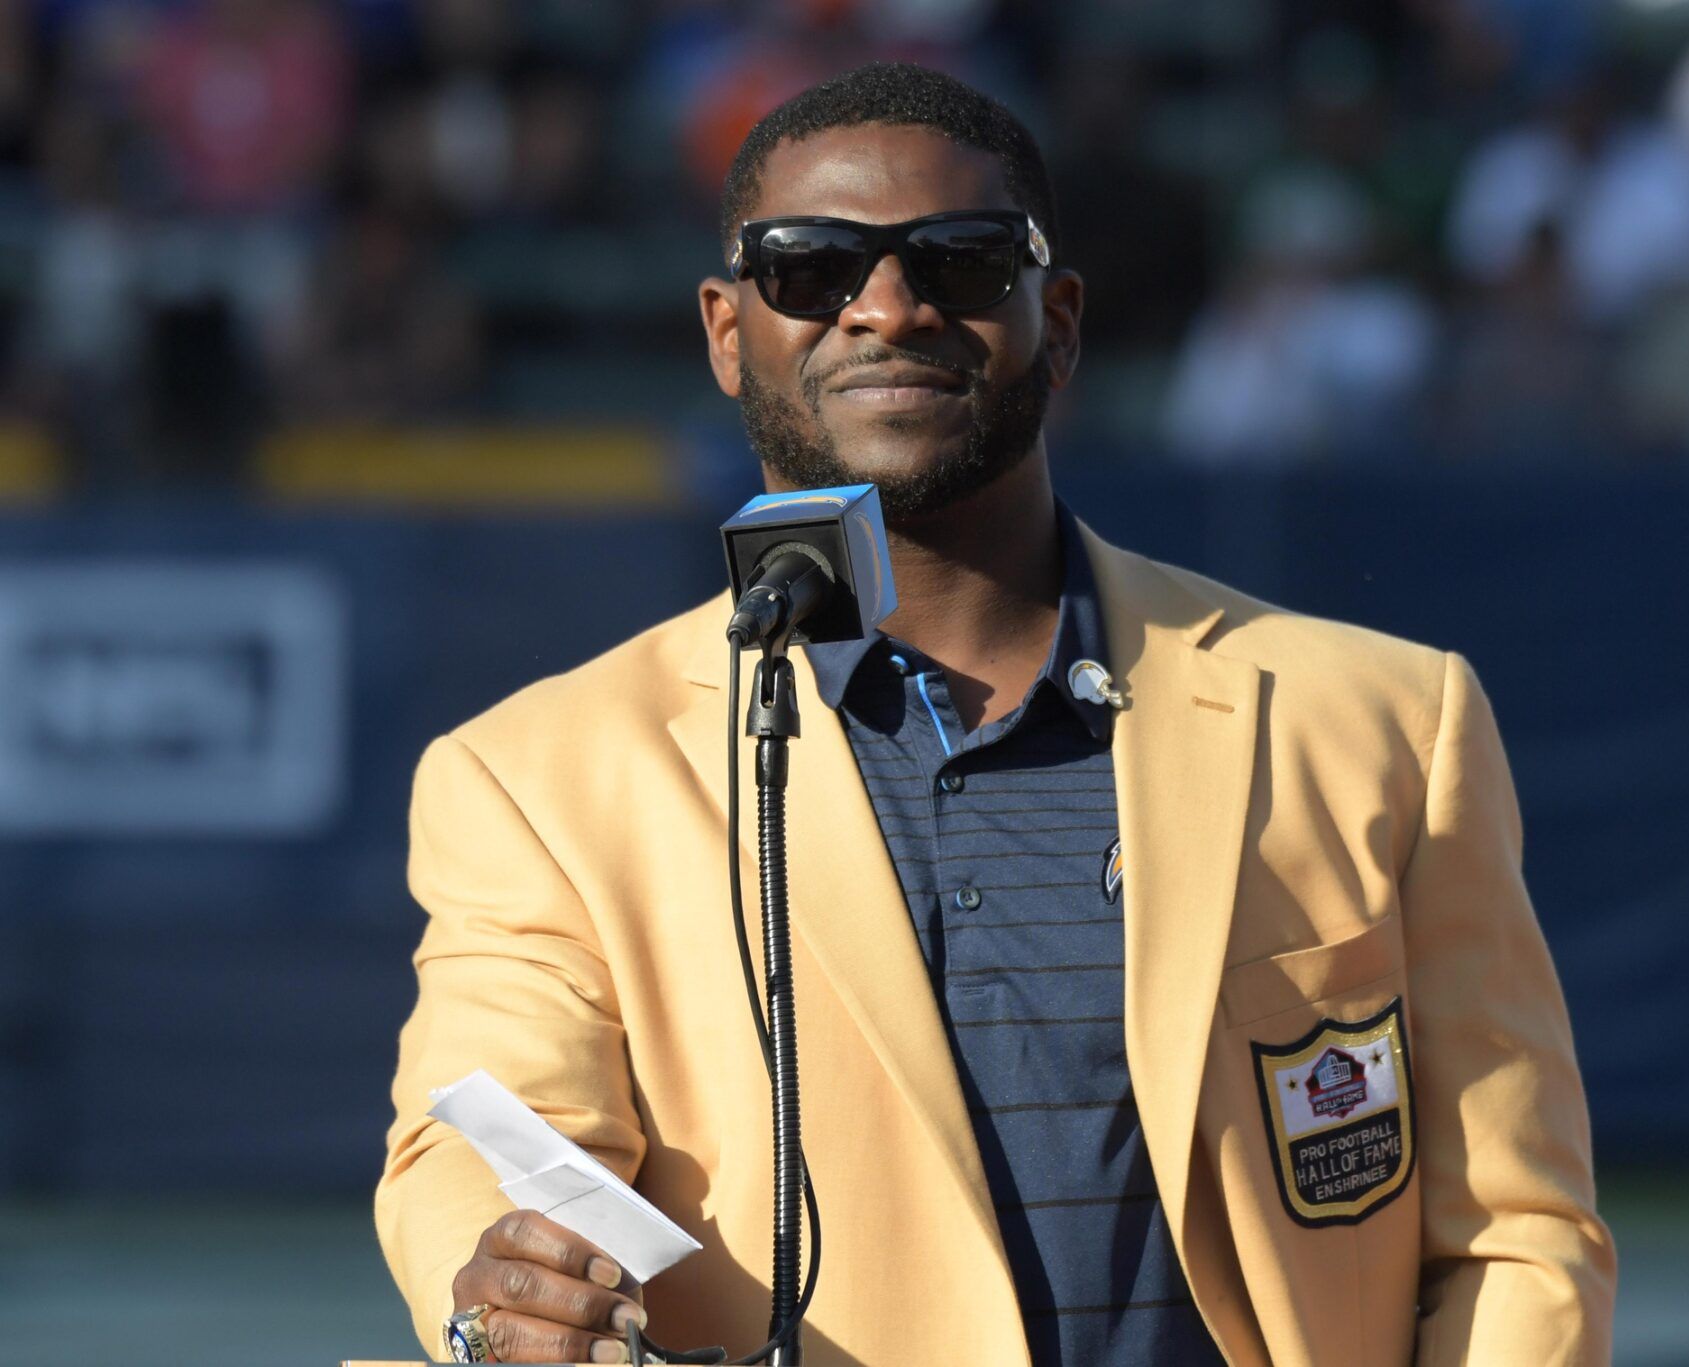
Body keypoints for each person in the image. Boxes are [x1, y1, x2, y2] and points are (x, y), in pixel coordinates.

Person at [375, 62, 1615, 1366]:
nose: (890, 309)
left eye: (961, 261)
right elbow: (490, 1152)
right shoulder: (538, 776)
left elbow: (1513, 1238)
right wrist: (504, 1291)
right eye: (810, 269)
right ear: (728, 330)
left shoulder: (1382, 722)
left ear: (1060, 321)